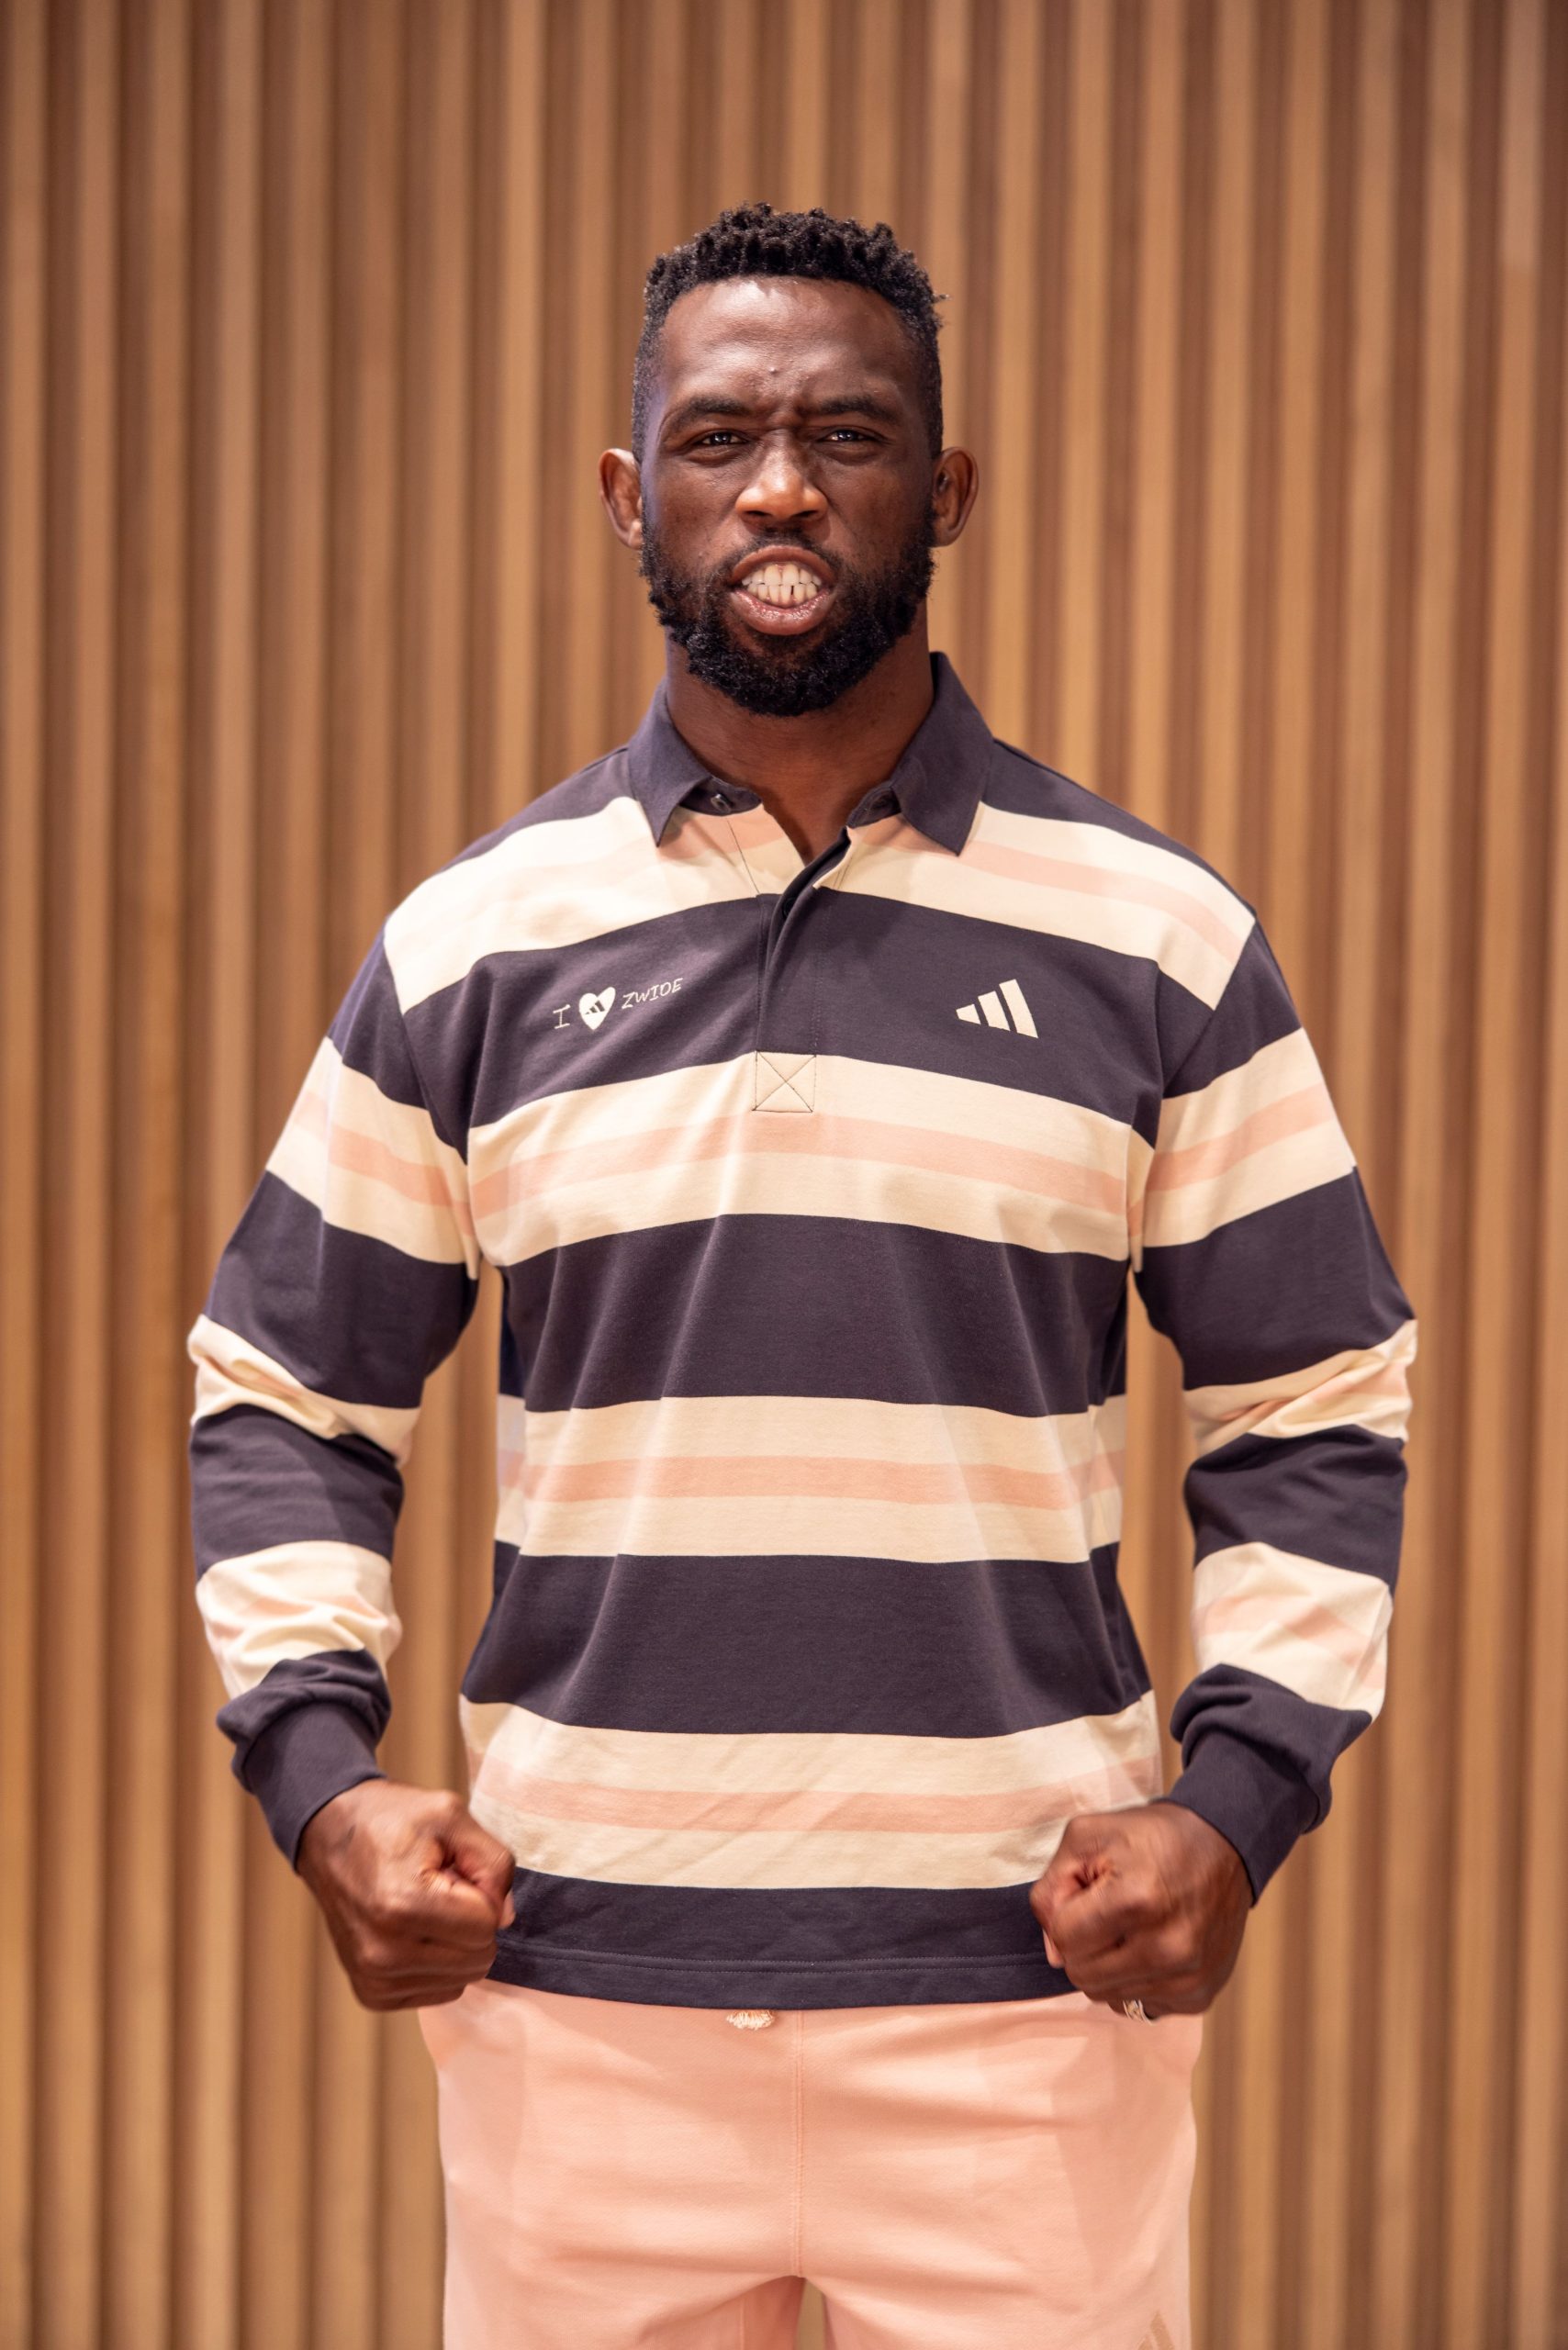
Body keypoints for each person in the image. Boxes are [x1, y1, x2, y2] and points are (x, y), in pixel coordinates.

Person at [187, 203, 1417, 2350]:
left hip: (1022, 2007)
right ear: (625, 490)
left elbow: (1311, 1396)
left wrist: (1235, 1801)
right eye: (717, 436)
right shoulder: (470, 945)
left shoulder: (1154, 937)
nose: (777, 486)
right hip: (574, 2003)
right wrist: (320, 1776)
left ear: (942, 491)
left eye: (845, 436)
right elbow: (287, 1388)